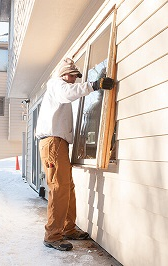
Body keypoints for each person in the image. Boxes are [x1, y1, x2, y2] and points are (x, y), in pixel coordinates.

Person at [36, 58, 114, 251]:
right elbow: (68, 93)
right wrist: (94, 85)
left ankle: (68, 228)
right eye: (72, 75)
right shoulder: (57, 85)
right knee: (59, 188)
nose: (73, 80)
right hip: (52, 142)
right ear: (63, 74)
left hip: (59, 143)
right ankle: (53, 235)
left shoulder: (61, 88)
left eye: (76, 77)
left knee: (67, 188)